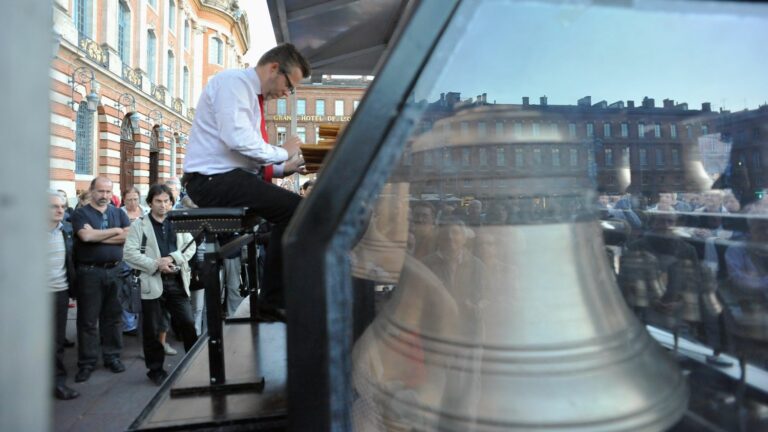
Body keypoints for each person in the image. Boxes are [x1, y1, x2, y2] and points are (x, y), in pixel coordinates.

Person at [183, 43, 310, 318]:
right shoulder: (234, 83)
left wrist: (282, 169)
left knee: (292, 209)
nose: (287, 93)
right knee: (295, 210)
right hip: (211, 180)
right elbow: (238, 140)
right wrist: (282, 151)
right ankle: (275, 300)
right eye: (289, 85)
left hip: (224, 176)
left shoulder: (250, 95)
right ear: (274, 68)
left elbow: (242, 157)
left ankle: (275, 296)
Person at [123, 184, 198, 385]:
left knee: (188, 323)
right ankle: (155, 370)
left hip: (176, 281)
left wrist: (172, 259)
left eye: (166, 201)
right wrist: (156, 264)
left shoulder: (178, 222)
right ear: (150, 203)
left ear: (172, 203)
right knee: (153, 330)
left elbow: (190, 248)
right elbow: (129, 254)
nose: (163, 205)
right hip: (152, 282)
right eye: (158, 201)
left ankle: (196, 363)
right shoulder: (140, 225)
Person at [70, 176, 131, 382]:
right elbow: (85, 237)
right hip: (90, 273)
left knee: (113, 318)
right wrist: (115, 231)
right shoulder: (81, 213)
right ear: (92, 191)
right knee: (87, 320)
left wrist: (98, 235)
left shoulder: (118, 212)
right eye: (100, 191)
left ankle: (112, 357)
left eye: (108, 192)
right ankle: (86, 363)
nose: (104, 196)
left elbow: (129, 236)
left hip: (115, 271)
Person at [48, 190, 79, 400]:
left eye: (62, 206)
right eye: (54, 206)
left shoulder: (65, 231)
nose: (60, 210)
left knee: (57, 342)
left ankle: (57, 384)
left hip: (59, 292)